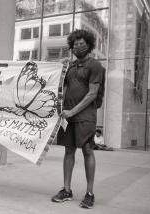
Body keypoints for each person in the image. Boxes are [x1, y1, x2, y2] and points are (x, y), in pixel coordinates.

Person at [52, 29, 105, 209]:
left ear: (89, 45)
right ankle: (66, 190)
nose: (78, 47)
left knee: (88, 150)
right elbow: (60, 86)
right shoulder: (71, 67)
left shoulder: (95, 65)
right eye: (75, 44)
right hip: (68, 116)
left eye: (82, 44)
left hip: (84, 116)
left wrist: (72, 111)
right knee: (69, 151)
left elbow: (92, 94)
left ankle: (89, 194)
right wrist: (60, 68)